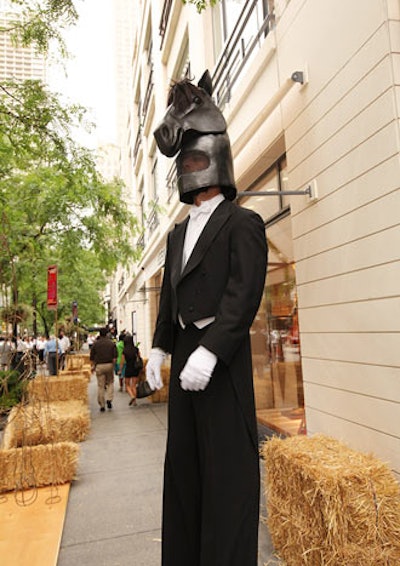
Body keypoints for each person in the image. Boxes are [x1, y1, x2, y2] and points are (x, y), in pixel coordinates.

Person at [147, 72, 268, 566]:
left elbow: (244, 296)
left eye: (197, 159)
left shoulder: (244, 222)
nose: (190, 167)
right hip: (183, 375)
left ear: (217, 160)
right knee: (184, 478)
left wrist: (212, 349)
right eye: (185, 161)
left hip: (220, 373)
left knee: (227, 483)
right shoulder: (176, 235)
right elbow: (169, 302)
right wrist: (158, 347)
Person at [90, 327, 117, 412]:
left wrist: (93, 366)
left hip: (99, 366)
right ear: (106, 334)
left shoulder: (95, 344)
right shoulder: (111, 343)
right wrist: (113, 365)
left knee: (100, 385)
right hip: (109, 364)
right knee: (110, 382)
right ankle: (109, 399)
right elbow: (115, 357)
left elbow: (92, 357)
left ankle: (102, 404)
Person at [119, 334, 141, 406]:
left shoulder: (124, 351)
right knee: (134, 385)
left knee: (127, 384)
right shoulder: (136, 349)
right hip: (135, 368)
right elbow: (139, 357)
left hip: (128, 368)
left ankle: (132, 396)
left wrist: (120, 369)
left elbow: (122, 362)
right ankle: (135, 402)